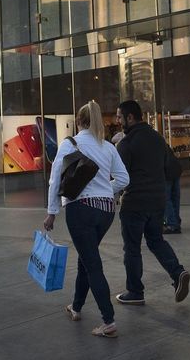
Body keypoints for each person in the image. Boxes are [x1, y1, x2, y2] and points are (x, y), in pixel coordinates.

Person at [43, 100, 129, 339]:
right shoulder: (108, 147)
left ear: (79, 122)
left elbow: (54, 181)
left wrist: (52, 212)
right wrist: (105, 189)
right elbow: (123, 180)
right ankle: (76, 306)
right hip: (106, 211)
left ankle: (108, 320)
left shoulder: (70, 144)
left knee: (92, 264)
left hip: (81, 209)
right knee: (86, 257)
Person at [115, 100, 190, 305]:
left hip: (135, 203)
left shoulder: (127, 143)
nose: (118, 120)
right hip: (157, 201)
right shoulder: (158, 139)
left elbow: (120, 176)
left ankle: (135, 291)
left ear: (130, 117)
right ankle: (178, 273)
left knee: (132, 248)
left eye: (120, 117)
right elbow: (169, 169)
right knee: (156, 241)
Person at [163, 147, 183, 234]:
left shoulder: (150, 144)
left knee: (166, 199)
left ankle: (172, 224)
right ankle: (176, 222)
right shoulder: (161, 142)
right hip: (176, 169)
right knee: (175, 197)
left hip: (166, 171)